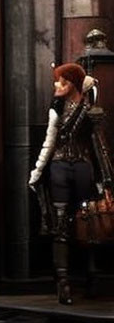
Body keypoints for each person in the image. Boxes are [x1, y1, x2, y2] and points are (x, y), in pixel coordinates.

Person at [28, 62, 113, 304]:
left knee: (84, 224)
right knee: (71, 223)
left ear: (72, 84)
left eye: (61, 82)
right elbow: (50, 143)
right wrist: (37, 171)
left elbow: (98, 146)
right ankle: (70, 282)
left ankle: (82, 279)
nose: (56, 85)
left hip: (74, 168)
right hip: (66, 169)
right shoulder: (64, 110)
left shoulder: (87, 110)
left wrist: (104, 178)